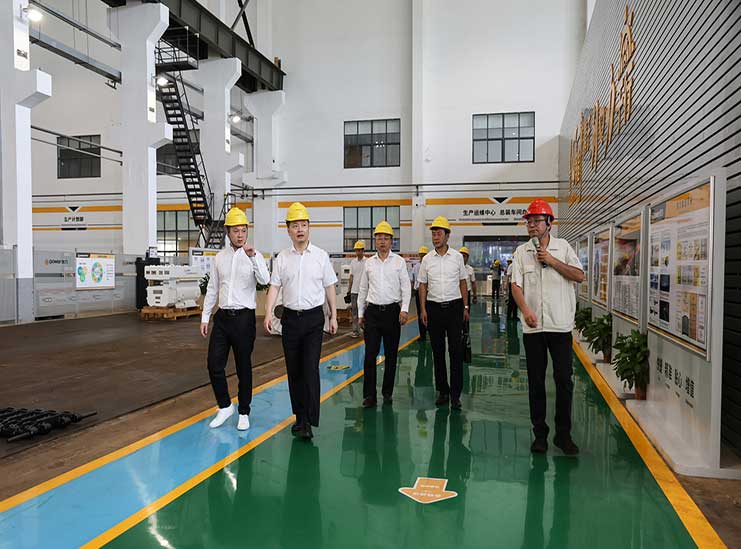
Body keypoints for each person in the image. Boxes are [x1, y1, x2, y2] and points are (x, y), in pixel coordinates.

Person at [510, 199, 585, 455]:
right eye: (529, 222)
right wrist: (526, 311)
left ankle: (563, 436)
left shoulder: (563, 248)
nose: (532, 225)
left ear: (549, 223)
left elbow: (579, 275)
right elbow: (515, 286)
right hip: (534, 329)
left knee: (564, 381)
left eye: (537, 221)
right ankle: (539, 434)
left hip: (560, 326)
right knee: (536, 382)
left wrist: (551, 260)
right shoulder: (521, 252)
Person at [264, 202, 338, 439]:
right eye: (295, 225)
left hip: (314, 319)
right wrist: (268, 312)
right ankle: (300, 417)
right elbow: (274, 287)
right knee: (294, 370)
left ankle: (309, 421)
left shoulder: (321, 256)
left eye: (303, 225)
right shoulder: (282, 258)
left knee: (310, 368)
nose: (300, 230)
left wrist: (334, 315)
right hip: (290, 320)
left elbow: (330, 287)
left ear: (309, 227)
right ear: (288, 230)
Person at [200, 206, 270, 430]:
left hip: (244, 319)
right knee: (214, 364)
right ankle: (224, 406)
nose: (240, 235)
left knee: (243, 367)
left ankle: (244, 411)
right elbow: (213, 288)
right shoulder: (219, 258)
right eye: (236, 231)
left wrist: (254, 258)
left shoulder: (254, 255)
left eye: (244, 230)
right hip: (222, 318)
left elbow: (265, 279)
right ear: (228, 232)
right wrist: (205, 316)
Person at [357, 221, 411, 407]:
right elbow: (363, 289)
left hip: (392, 313)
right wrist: (360, 313)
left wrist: (404, 309)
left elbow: (406, 287)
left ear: (391, 241)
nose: (382, 241)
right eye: (379, 238)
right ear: (375, 241)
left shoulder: (399, 262)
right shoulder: (369, 263)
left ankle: (387, 392)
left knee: (391, 355)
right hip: (372, 313)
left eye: (386, 238)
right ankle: (369, 396)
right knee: (369, 355)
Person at [418, 216, 469, 410]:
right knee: (437, 352)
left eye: (439, 233)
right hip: (433, 309)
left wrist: (465, 307)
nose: (435, 237)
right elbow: (423, 285)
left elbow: (463, 282)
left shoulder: (457, 257)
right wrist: (423, 309)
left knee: (455, 352)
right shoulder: (427, 260)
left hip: (454, 308)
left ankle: (456, 394)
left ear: (447, 236)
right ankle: (443, 391)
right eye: (433, 233)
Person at [346, 240, 367, 338]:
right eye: (356, 250)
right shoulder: (353, 262)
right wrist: (349, 290)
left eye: (359, 250)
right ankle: (355, 331)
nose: (357, 252)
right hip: (354, 291)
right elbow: (351, 277)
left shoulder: (367, 262)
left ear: (363, 250)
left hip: (364, 292)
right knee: (354, 312)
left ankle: (366, 329)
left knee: (365, 312)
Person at [410, 246, 429, 341]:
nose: (422, 257)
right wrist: (412, 291)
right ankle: (423, 334)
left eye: (424, 255)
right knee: (421, 313)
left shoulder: (428, 266)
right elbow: (412, 280)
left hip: (428, 292)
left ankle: (427, 332)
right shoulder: (417, 266)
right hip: (420, 292)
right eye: (421, 255)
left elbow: (412, 280)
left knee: (428, 312)